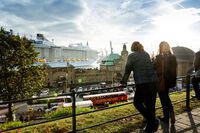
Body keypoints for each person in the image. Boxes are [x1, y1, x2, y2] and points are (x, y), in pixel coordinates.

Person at [121, 41, 159, 133]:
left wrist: (124, 81)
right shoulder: (146, 54)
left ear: (133, 48)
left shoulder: (132, 56)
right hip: (154, 82)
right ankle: (151, 127)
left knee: (137, 103)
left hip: (142, 83)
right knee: (151, 105)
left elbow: (127, 70)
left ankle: (152, 120)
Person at [154, 41, 177, 125]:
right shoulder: (173, 57)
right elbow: (174, 70)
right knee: (166, 97)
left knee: (164, 98)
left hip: (161, 80)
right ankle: (167, 117)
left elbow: (154, 68)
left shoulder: (159, 57)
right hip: (169, 80)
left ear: (160, 48)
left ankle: (169, 114)